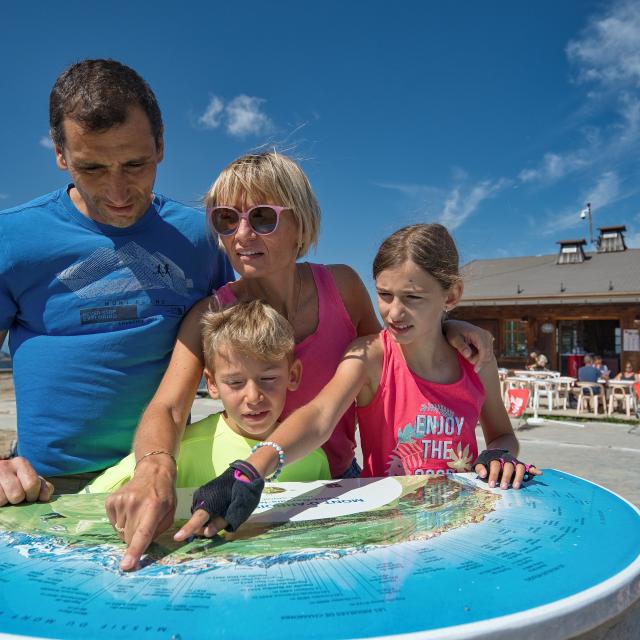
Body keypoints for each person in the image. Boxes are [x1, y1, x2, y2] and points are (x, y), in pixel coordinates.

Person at [106, 153, 495, 570]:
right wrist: (153, 466)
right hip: (251, 484)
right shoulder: (211, 315)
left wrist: (447, 328)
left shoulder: (343, 288)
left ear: (301, 223)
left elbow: (391, 348)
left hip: (342, 481)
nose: (241, 234)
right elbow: (168, 407)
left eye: (261, 218)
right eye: (225, 219)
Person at [177, 223, 542, 541]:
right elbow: (319, 416)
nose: (393, 312)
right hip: (387, 524)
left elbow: (501, 435)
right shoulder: (370, 356)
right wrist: (250, 469)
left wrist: (500, 454)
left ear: (452, 295)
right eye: (384, 295)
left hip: (458, 522)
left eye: (412, 298)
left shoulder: (476, 360)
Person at [0, 59, 233, 504]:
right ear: (60, 154)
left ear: (161, 145)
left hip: (166, 475)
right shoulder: (11, 238)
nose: (118, 191)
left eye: (135, 164)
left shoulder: (203, 238)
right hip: (45, 487)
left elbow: (232, 352)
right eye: (92, 169)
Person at [87, 300, 329, 498]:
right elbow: (88, 500)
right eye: (235, 382)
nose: (254, 397)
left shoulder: (313, 456)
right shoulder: (180, 451)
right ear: (212, 384)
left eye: (268, 379)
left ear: (293, 375)